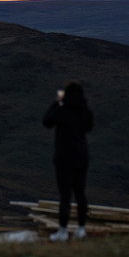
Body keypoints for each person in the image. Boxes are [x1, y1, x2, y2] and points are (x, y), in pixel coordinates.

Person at [42, 81, 93, 241]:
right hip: (81, 156)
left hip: (64, 157)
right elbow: (89, 127)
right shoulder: (86, 111)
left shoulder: (62, 110)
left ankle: (63, 231)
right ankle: (81, 229)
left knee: (65, 195)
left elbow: (47, 121)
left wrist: (57, 102)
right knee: (80, 193)